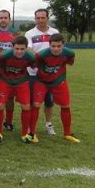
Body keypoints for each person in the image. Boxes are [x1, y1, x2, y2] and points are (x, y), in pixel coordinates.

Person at [28, 33, 80, 143]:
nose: (56, 49)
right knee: (36, 105)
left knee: (66, 106)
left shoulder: (69, 53)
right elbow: (33, 64)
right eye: (53, 46)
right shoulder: (41, 55)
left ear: (63, 45)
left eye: (59, 46)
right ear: (49, 45)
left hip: (59, 81)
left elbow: (70, 62)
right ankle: (32, 133)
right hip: (41, 82)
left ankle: (67, 134)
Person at [25, 8, 60, 137]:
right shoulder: (30, 33)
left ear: (47, 18)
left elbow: (59, 48)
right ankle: (30, 126)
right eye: (38, 18)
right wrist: (42, 61)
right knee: (33, 102)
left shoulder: (54, 32)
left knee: (49, 101)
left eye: (43, 17)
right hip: (33, 73)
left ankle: (49, 124)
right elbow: (28, 50)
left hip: (51, 74)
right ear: (35, 19)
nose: (40, 20)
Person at [0, 36, 36, 143]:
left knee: (26, 106)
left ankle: (24, 134)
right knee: (0, 105)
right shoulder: (4, 55)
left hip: (22, 81)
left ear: (26, 48)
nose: (19, 51)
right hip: (5, 81)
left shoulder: (30, 56)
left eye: (22, 49)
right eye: (17, 48)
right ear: (12, 47)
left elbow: (34, 66)